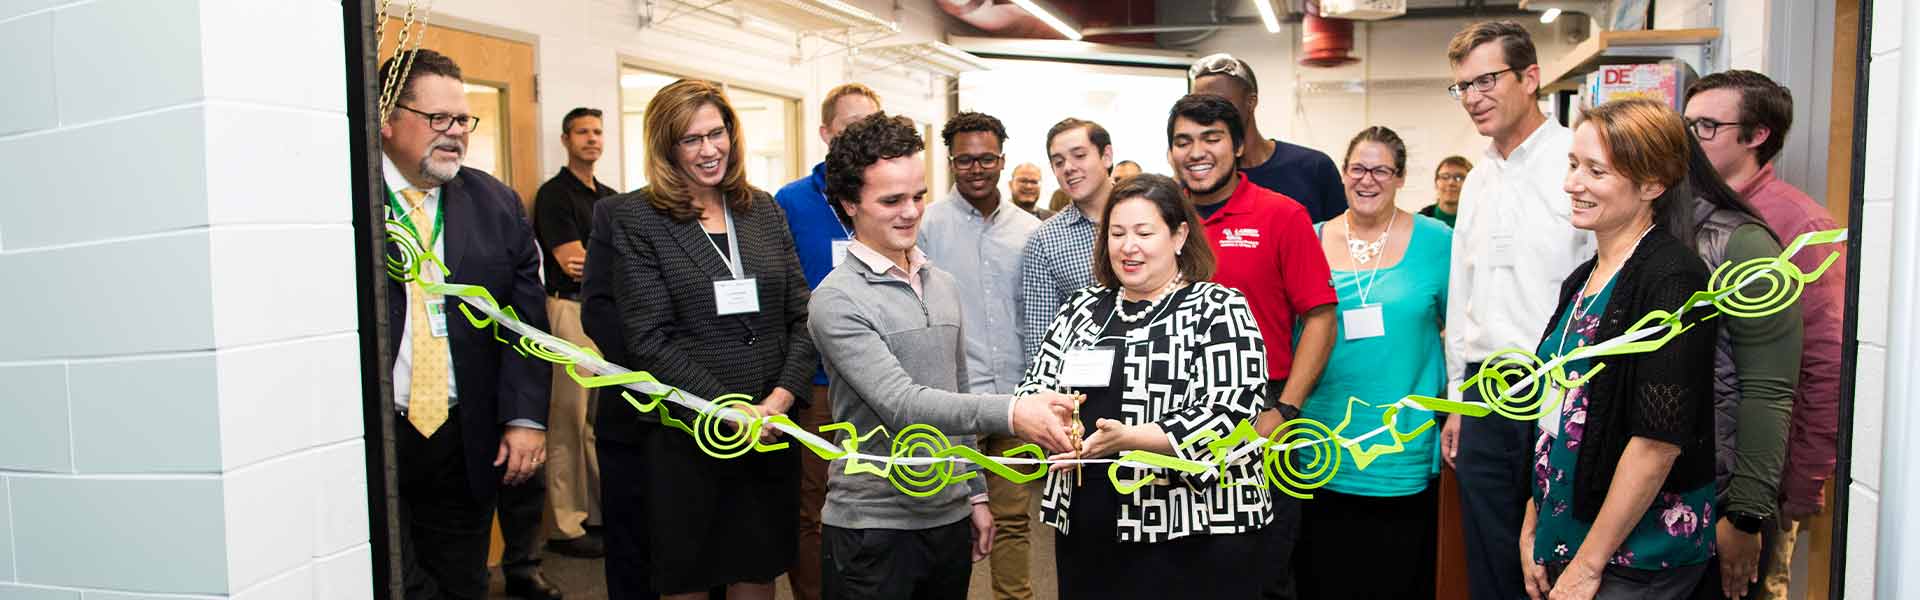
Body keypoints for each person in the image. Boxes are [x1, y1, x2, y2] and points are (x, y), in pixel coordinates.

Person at [809, 112, 1080, 600]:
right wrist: (1013, 411)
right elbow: (903, 403)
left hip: (948, 518)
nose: (911, 213)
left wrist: (973, 493)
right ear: (850, 203)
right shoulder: (837, 298)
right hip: (874, 526)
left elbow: (957, 395)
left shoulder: (942, 285)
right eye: (891, 200)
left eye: (917, 196)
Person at [601, 78, 816, 600]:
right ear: (666, 147)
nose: (709, 149)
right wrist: (728, 411)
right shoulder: (637, 218)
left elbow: (803, 316)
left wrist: (779, 400)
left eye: (716, 133)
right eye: (691, 139)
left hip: (769, 428)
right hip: (687, 436)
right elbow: (648, 337)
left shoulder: (761, 209)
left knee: (756, 568)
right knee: (688, 575)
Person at [1018, 173, 1272, 599]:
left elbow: (1229, 413)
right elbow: (1033, 387)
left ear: (1178, 236)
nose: (1127, 246)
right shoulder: (1081, 308)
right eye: (1116, 233)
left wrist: (1130, 439)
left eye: (1143, 232)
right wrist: (1047, 419)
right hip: (1088, 519)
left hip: (1191, 525)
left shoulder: (1217, 309)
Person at [1521, 97, 1718, 600]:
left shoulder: (1673, 280)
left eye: (1596, 171)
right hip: (1570, 535)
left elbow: (1658, 442)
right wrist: (1534, 523)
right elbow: (1557, 412)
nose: (1572, 184)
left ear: (1652, 184)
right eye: (1572, 165)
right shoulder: (1583, 280)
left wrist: (1588, 565)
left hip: (1636, 555)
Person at [377, 48, 551, 600]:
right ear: (386, 117)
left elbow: (526, 325)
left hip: (463, 432)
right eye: (438, 120)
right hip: (376, 434)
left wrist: (526, 417)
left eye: (462, 121)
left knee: (461, 583)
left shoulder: (495, 203)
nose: (455, 134)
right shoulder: (342, 199)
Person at [1439, 21, 1597, 600]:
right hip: (1484, 390)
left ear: (1530, 78)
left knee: (1554, 557)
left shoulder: (1575, 164)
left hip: (1558, 384)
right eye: (1462, 86)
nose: (1473, 97)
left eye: (1486, 80)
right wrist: (1457, 399)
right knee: (1489, 559)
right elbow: (1464, 292)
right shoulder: (1478, 178)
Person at [1165, 92, 1337, 600]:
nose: (1197, 151)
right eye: (1183, 141)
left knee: (1260, 569)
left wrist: (1285, 408)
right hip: (1171, 417)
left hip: (1261, 412)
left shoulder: (1282, 215)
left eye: (1211, 138)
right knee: (1178, 565)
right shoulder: (1159, 217)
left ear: (1239, 145)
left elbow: (1321, 317)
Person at [1684, 70, 1846, 600]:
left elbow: (1821, 363)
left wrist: (1797, 488)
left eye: (1706, 126)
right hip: (1690, 467)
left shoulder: (1796, 224)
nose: (1690, 138)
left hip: (1754, 477)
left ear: (1756, 136)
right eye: (1686, 124)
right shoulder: (1681, 209)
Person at [1291, 126, 1451, 600]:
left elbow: (1461, 329)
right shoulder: (1311, 238)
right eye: (1358, 168)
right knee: (1322, 575)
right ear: (1343, 174)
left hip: (1400, 442)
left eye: (1382, 169)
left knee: (1394, 575)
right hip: (1320, 439)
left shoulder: (1437, 241)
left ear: (1400, 178)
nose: (1368, 179)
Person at [916, 111, 1043, 600]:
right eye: (964, 160)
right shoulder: (927, 226)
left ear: (1002, 161)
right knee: (950, 520)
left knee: (1012, 519)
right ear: (950, 162)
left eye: (986, 158)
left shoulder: (1030, 230)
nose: (976, 169)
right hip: (952, 400)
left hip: (1012, 397)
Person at [1677, 131, 1802, 600]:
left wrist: (1745, 514)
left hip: (1722, 503)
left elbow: (1770, 391)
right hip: (1653, 505)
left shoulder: (1741, 244)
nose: (1574, 184)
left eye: (1598, 169)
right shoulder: (1635, 243)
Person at [773, 82, 881, 600]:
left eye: (870, 126)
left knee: (880, 497)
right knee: (812, 505)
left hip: (879, 379)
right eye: (849, 128)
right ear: (825, 133)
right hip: (816, 379)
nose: (861, 138)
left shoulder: (887, 194)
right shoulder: (791, 202)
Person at [531, 106, 614, 566]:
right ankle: (564, 525)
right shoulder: (554, 195)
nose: (592, 139)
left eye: (598, 132)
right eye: (582, 132)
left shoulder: (608, 196)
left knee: (598, 421)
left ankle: (598, 516)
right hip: (568, 312)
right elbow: (572, 263)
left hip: (604, 314)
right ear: (566, 140)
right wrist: (613, 263)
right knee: (567, 419)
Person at [1189, 52, 1348, 223]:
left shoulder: (1313, 168)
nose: (1206, 113)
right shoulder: (1200, 179)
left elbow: (1344, 237)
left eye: (1219, 102)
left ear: (1251, 102)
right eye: (1198, 103)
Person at [1019, 118, 1116, 371]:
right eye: (1058, 162)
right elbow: (1042, 339)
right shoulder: (1045, 241)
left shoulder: (1150, 215)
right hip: (1089, 386)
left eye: (1079, 155)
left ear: (1106, 156)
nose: (1068, 168)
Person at [1422, 155, 1473, 228]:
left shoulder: (1484, 223)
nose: (1451, 183)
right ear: (1436, 183)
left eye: (1459, 177)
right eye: (1445, 177)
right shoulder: (1417, 224)